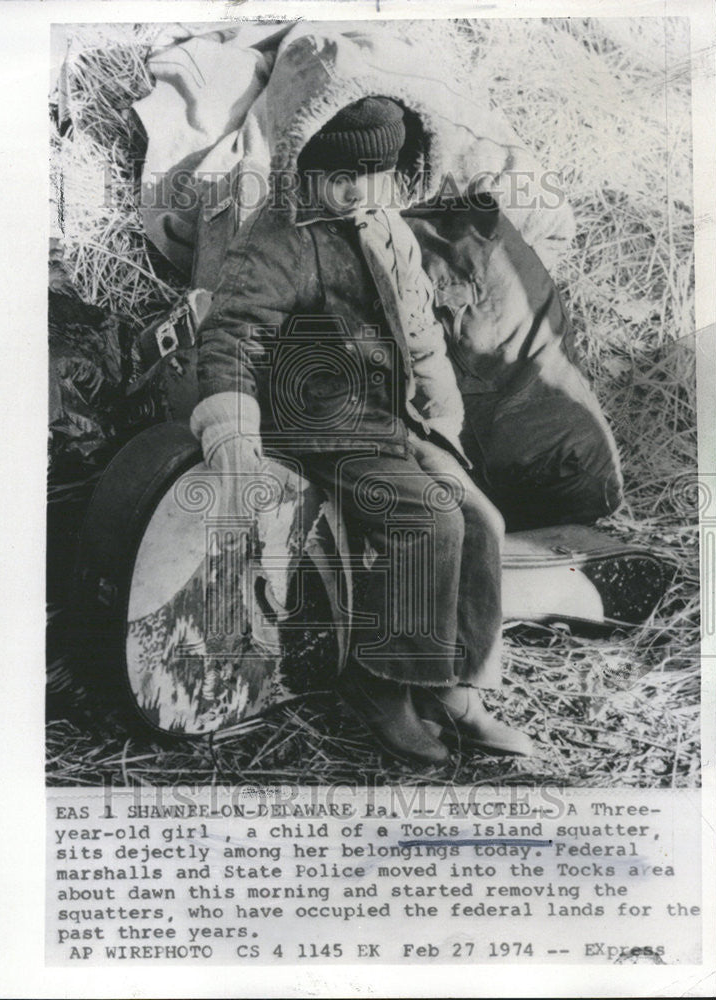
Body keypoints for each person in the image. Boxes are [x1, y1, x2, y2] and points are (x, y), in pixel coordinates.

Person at [189, 96, 534, 766]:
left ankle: (456, 689)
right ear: (307, 171)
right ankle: (384, 681)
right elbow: (232, 338)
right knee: (429, 519)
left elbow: (422, 335)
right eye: (339, 177)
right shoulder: (278, 242)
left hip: (393, 420)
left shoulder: (387, 229)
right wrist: (233, 434)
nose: (355, 192)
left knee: (481, 519)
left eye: (369, 177)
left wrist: (442, 419)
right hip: (320, 425)